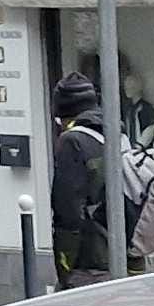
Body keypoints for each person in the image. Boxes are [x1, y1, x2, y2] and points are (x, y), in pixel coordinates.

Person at [48, 73, 112, 282]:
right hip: (125, 252)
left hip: (91, 260)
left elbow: (68, 211)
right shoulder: (114, 131)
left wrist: (65, 267)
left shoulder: (72, 141)